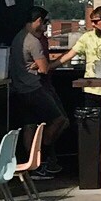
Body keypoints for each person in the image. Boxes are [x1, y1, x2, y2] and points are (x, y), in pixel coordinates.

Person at [7, 9, 66, 176]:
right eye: (44, 22)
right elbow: (44, 68)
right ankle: (43, 155)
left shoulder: (19, 37)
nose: (45, 26)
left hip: (20, 88)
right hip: (34, 88)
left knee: (29, 125)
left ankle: (31, 164)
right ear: (39, 20)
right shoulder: (33, 41)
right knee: (59, 120)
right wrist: (60, 60)